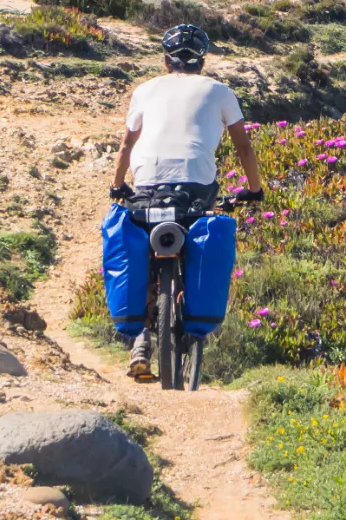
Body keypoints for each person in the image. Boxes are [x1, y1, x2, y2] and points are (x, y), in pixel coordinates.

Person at [109, 23, 265, 381]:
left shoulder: (144, 90)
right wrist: (254, 190)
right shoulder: (219, 90)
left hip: (147, 178)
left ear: (166, 61)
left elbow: (126, 145)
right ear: (203, 61)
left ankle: (141, 344)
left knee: (145, 245)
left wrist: (118, 186)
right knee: (196, 239)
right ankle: (188, 310)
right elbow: (243, 146)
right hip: (197, 183)